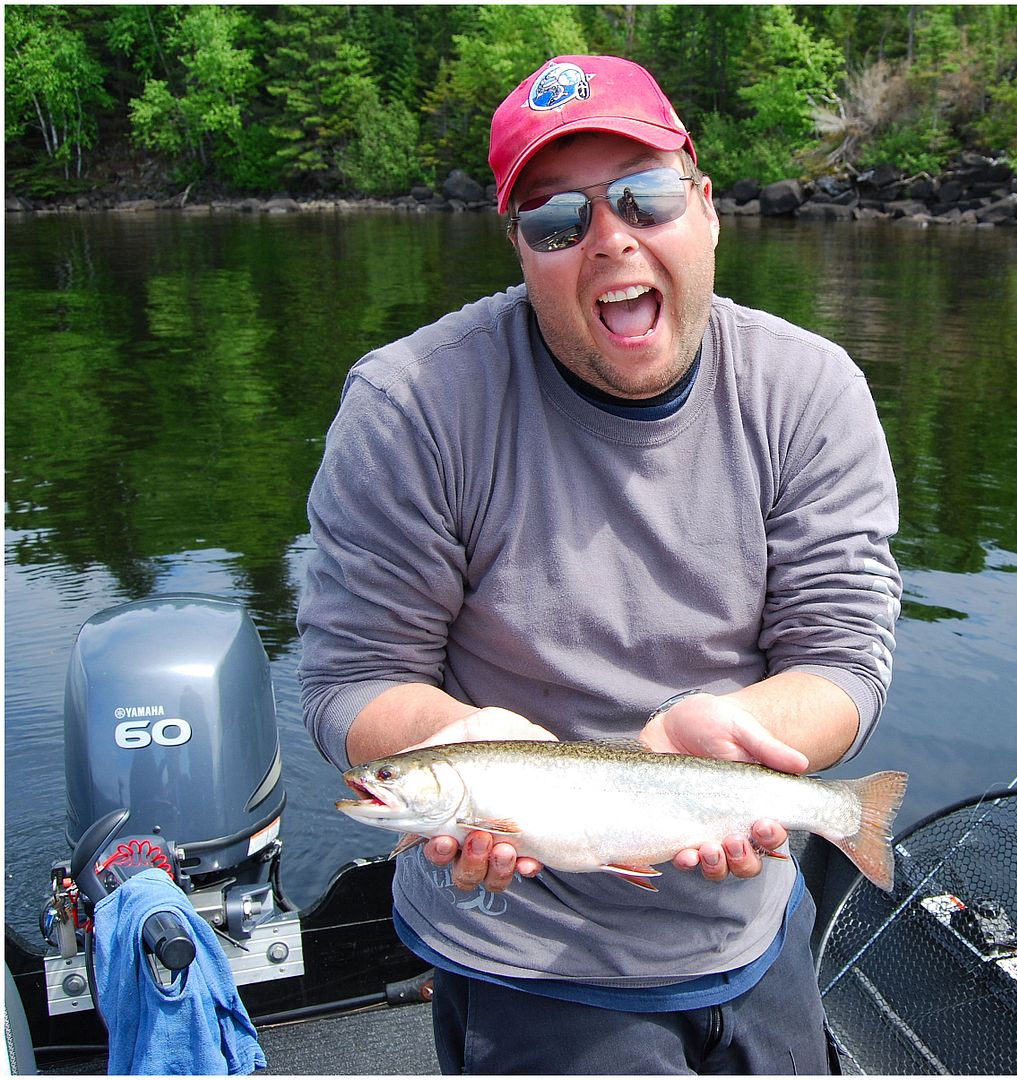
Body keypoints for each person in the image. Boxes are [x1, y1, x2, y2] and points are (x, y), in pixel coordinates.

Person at [296, 54, 901, 1074]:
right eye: (556, 219)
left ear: (706, 206)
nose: (611, 237)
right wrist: (457, 740)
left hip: (758, 923)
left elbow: (842, 658)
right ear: (520, 248)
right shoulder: (411, 408)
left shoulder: (811, 392)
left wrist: (738, 740)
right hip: (523, 958)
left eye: (645, 195)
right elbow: (348, 681)